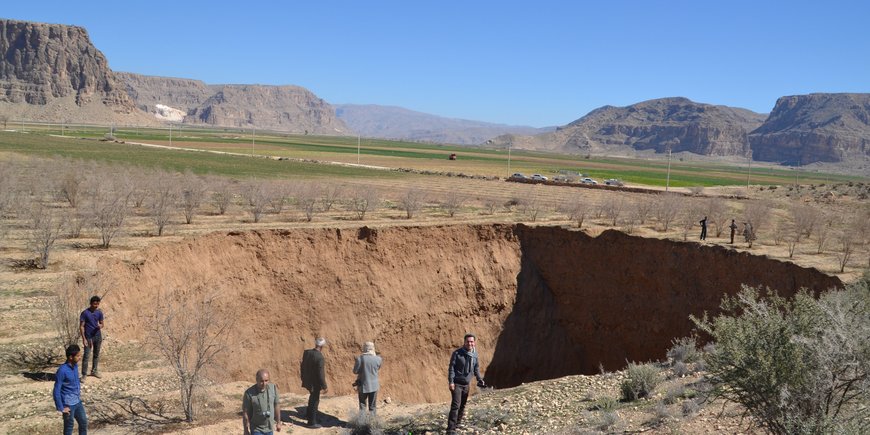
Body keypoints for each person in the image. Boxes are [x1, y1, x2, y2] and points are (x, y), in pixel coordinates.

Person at [446, 333, 485, 435]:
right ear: (464, 342)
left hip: (466, 384)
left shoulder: (475, 355)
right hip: (457, 383)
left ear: (474, 343)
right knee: (456, 405)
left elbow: (476, 368)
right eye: (468, 341)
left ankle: (457, 424)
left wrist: (479, 379)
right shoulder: (457, 353)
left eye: (471, 341)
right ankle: (450, 430)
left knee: (462, 405)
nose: (470, 343)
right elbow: (451, 369)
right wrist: (451, 382)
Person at [53, 344, 87, 435]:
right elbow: (56, 390)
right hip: (68, 405)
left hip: (77, 401)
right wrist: (61, 407)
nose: (80, 357)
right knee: (68, 428)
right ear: (71, 357)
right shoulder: (62, 371)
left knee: (83, 423)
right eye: (78, 356)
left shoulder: (75, 366)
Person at [242, 369, 281, 435]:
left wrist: (278, 422)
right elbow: (245, 412)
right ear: (256, 380)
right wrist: (246, 430)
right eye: (261, 381)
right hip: (256, 428)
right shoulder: (249, 393)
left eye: (266, 381)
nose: (264, 383)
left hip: (269, 428)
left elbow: (276, 405)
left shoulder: (273, 388)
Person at [301, 337, 328, 428]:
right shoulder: (320, 357)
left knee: (312, 397)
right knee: (315, 400)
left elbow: (302, 366)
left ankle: (309, 415)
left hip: (308, 380)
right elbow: (321, 374)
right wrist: (324, 386)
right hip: (315, 383)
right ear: (322, 346)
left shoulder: (307, 353)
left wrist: (303, 377)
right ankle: (311, 422)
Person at [353, 341, 382, 417]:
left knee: (362, 406)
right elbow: (378, 368)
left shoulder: (360, 359)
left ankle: (362, 424)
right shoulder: (378, 359)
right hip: (374, 386)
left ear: (364, 348)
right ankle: (372, 424)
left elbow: (355, 371)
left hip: (363, 386)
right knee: (372, 407)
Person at [79, 295, 104, 379]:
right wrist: (84, 338)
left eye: (97, 304)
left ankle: (94, 370)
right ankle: (84, 374)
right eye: (94, 304)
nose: (96, 306)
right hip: (88, 337)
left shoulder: (99, 312)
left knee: (96, 354)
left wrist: (100, 326)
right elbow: (82, 326)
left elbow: (102, 323)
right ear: (90, 303)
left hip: (97, 336)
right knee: (86, 355)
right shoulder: (85, 313)